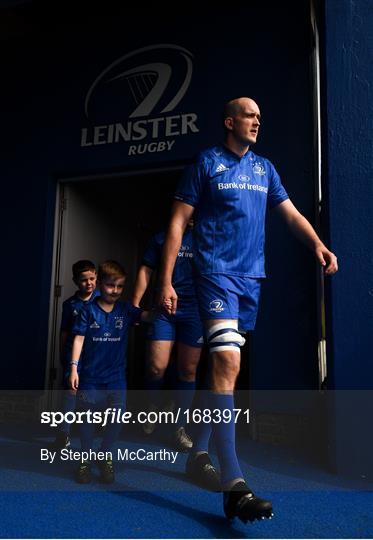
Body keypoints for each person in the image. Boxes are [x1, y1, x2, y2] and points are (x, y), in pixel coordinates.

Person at [157, 97, 338, 523]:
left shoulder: (265, 169)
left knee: (222, 370)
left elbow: (290, 213)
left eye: (260, 115)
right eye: (250, 115)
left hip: (250, 280)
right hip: (213, 274)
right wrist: (165, 280)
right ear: (229, 121)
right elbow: (178, 223)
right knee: (227, 364)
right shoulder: (206, 163)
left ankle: (198, 452)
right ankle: (233, 485)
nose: (258, 120)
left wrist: (316, 243)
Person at [69, 260, 155, 484]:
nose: (115, 291)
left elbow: (147, 316)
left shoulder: (125, 310)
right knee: (87, 419)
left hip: (116, 378)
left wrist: (163, 304)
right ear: (100, 284)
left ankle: (104, 453)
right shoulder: (87, 310)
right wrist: (73, 368)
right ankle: (85, 458)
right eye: (110, 286)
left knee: (117, 419)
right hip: (90, 377)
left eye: (119, 287)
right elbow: (78, 339)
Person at [132, 221, 203, 452]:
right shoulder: (161, 238)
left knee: (187, 370)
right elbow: (146, 269)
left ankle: (179, 427)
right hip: (163, 309)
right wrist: (135, 305)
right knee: (156, 367)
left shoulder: (206, 236)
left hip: (194, 311)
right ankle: (153, 405)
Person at [51, 259, 98, 450]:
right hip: (75, 357)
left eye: (92, 278)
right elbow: (64, 332)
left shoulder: (104, 300)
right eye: (84, 280)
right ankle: (64, 433)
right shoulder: (70, 304)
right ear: (75, 281)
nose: (89, 283)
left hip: (96, 356)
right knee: (71, 392)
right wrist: (64, 356)